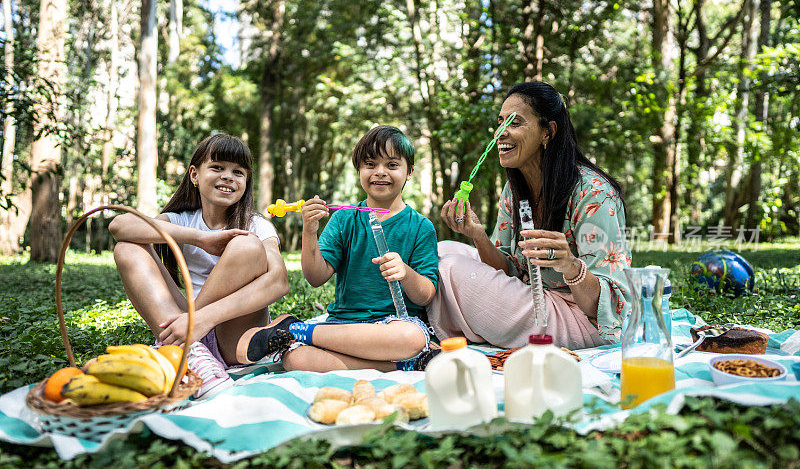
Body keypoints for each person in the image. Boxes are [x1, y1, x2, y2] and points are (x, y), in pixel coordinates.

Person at [428, 81, 632, 349]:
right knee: (441, 249)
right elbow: (509, 270)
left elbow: (608, 306)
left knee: (449, 268)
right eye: (500, 122)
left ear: (547, 132)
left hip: (581, 319)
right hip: (535, 295)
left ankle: (435, 330)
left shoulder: (594, 194)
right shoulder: (514, 189)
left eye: (514, 123)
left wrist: (570, 266)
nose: (501, 133)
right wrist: (477, 235)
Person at [236, 125, 439, 372]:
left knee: (411, 337)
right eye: (370, 164)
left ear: (410, 172)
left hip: (394, 326)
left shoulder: (421, 227)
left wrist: (405, 273)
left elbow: (426, 295)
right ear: (359, 170)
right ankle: (404, 364)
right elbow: (315, 277)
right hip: (344, 326)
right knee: (295, 360)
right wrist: (309, 231)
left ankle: (295, 331)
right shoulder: (345, 219)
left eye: (392, 165)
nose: (380, 172)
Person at [109, 133, 291, 397]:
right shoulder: (180, 220)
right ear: (194, 175)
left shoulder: (256, 224)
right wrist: (201, 238)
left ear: (246, 182)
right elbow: (119, 226)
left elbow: (279, 281)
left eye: (238, 172)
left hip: (233, 332)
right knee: (127, 246)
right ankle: (191, 352)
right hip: (186, 323)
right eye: (217, 167)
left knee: (246, 244)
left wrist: (201, 320)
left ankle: (182, 344)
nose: (228, 176)